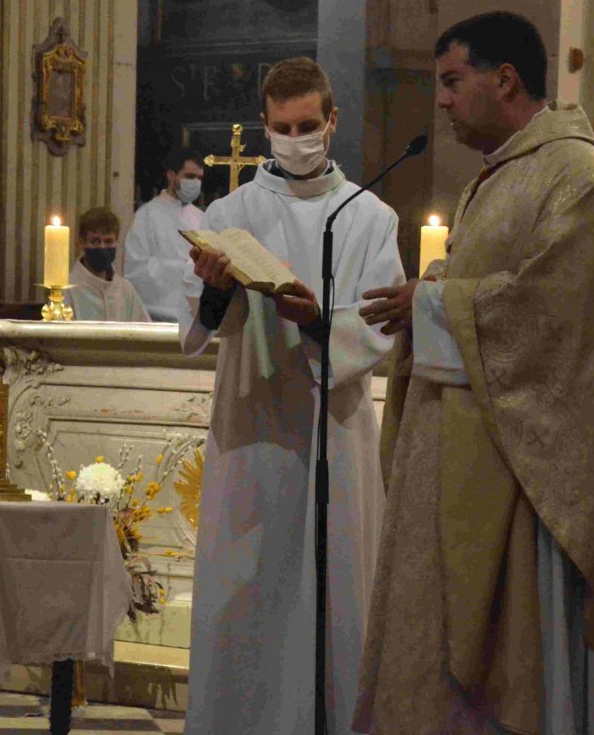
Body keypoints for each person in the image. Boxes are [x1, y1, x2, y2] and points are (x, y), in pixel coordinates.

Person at [354, 12, 594, 734]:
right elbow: (499, 292)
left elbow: (559, 321)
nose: (441, 100)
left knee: (516, 668)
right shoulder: (498, 179)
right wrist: (433, 296)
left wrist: (432, 302)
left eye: (452, 81)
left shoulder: (578, 180)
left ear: (505, 80)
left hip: (528, 477)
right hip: (462, 459)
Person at [179, 56, 404, 735]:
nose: (295, 138)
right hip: (251, 431)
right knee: (245, 599)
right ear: (266, 127)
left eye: (308, 125)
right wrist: (219, 289)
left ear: (332, 122)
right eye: (283, 127)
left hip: (333, 430)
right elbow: (194, 326)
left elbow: (380, 329)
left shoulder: (370, 216)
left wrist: (313, 320)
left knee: (334, 600)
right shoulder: (230, 213)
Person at [124, 148, 206, 321]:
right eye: (190, 177)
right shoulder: (146, 216)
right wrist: (186, 268)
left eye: (199, 178)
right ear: (171, 176)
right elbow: (135, 270)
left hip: (195, 316)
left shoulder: (201, 218)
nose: (196, 183)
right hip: (156, 314)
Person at [64, 207, 151, 322]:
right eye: (95, 241)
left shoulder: (125, 290)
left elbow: (144, 334)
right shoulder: (66, 289)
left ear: (116, 242)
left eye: (108, 241)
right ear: (82, 242)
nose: (102, 247)